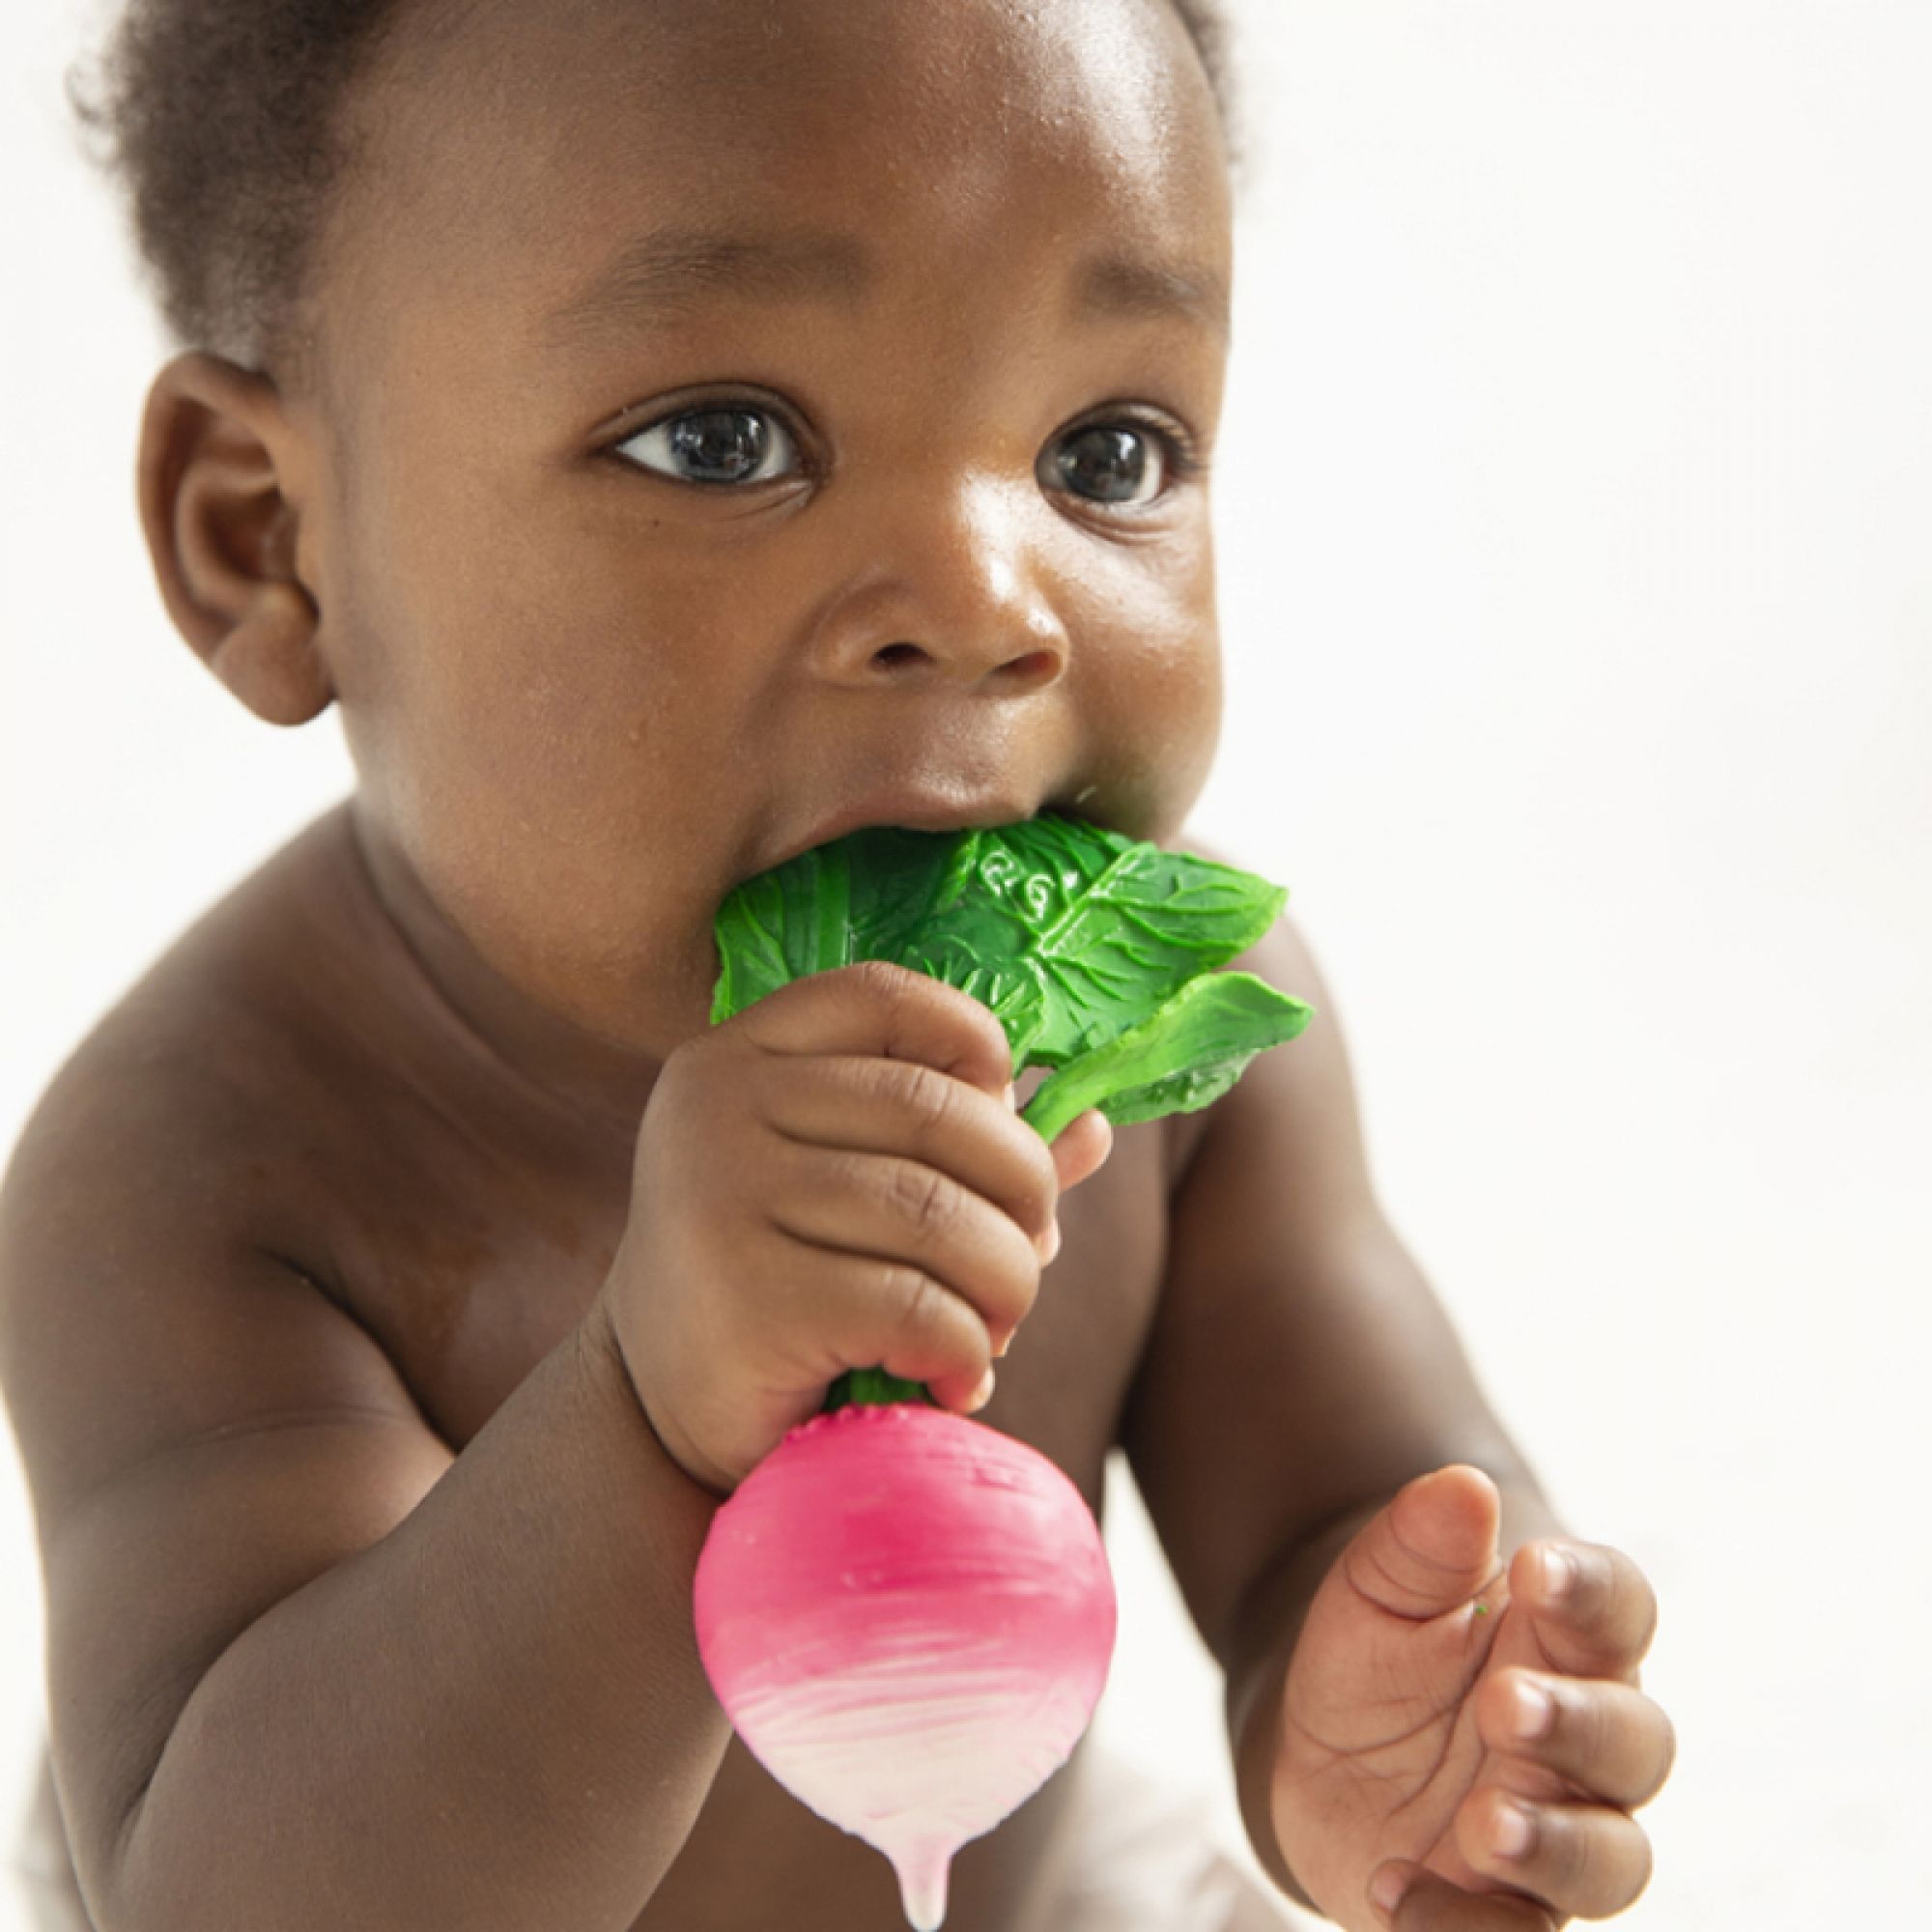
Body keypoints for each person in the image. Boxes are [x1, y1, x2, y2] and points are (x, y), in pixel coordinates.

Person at [0, 2, 1676, 1927]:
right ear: (274, 541)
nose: (981, 599)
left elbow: (1343, 1501)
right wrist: (650, 1404)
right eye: (722, 441)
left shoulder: (1168, 1057)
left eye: (1104, 449)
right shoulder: (210, 1165)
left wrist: (1420, 1703)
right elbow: (249, 1897)